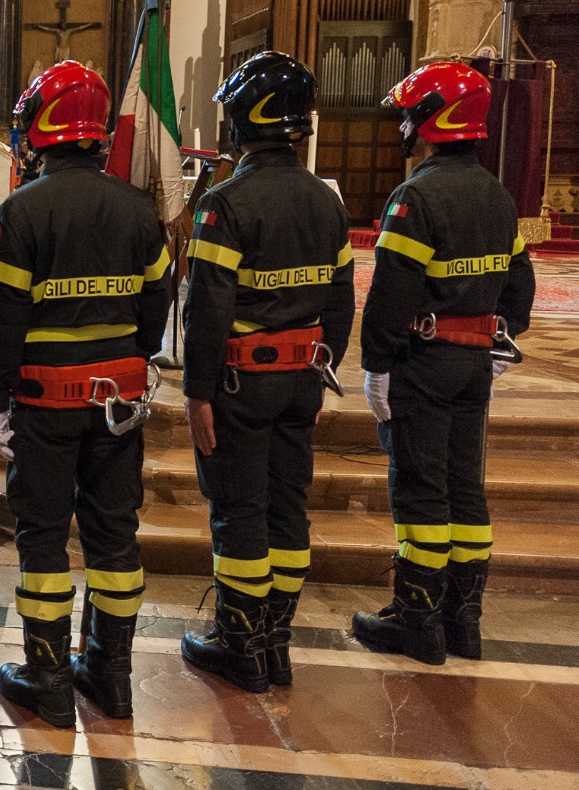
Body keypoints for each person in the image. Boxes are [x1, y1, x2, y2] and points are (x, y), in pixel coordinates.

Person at [0, 62, 168, 725]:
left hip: (43, 405)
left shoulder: (20, 212)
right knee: (116, 538)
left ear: (46, 124)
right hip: (118, 405)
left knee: (43, 539)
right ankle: (111, 679)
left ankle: (48, 679)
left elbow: (3, 322)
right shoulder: (139, 209)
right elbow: (156, 308)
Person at [181, 51, 355, 693]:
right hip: (303, 380)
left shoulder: (225, 204)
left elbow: (208, 310)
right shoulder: (327, 201)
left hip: (238, 385)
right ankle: (274, 646)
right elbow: (341, 300)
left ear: (243, 119)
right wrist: (324, 361)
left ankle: (239, 647)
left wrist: (198, 392)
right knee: (288, 509)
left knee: (239, 510)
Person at [353, 61, 536, 664]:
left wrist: (378, 365)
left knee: (422, 494)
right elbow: (520, 288)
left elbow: (391, 297)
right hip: (475, 365)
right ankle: (463, 623)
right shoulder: (497, 195)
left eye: (411, 113)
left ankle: (416, 623)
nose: (405, 124)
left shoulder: (417, 196)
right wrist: (498, 339)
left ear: (435, 119)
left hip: (423, 364)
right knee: (467, 492)